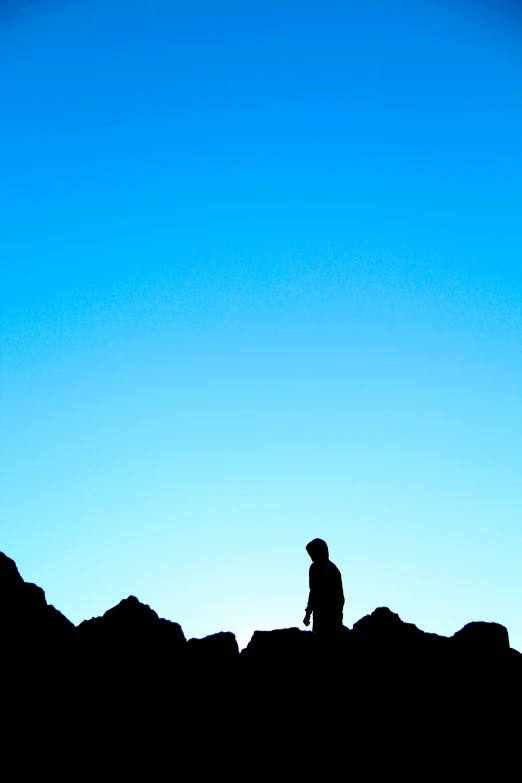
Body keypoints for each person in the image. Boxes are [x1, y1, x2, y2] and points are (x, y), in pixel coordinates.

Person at [303, 538, 344, 637]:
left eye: (313, 553)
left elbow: (338, 597)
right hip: (320, 614)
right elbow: (313, 591)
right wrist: (308, 612)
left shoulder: (330, 570)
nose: (311, 557)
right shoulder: (315, 568)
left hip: (330, 614)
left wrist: (308, 613)